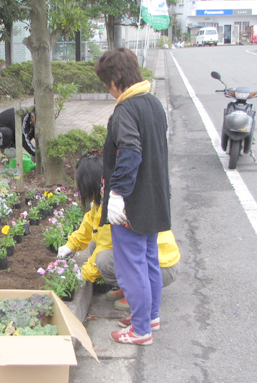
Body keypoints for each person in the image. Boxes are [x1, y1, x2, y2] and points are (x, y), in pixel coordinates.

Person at [94, 48, 171, 345]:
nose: (108, 91)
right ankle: (150, 316)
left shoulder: (126, 109)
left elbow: (129, 153)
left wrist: (117, 195)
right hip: (155, 198)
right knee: (149, 259)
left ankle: (140, 330)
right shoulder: (153, 103)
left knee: (131, 266)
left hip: (132, 205)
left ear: (117, 79)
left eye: (107, 84)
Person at [57, 153, 180, 315]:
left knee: (103, 260)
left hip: (162, 266)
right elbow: (90, 223)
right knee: (95, 245)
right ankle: (129, 286)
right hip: (148, 259)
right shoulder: (103, 197)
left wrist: (83, 274)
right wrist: (70, 245)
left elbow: (107, 244)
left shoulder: (115, 206)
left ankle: (137, 295)